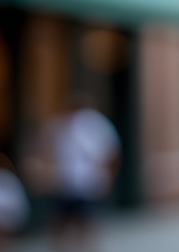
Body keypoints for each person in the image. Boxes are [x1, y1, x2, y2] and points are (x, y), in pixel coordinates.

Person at [48, 96, 120, 250]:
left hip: (85, 182)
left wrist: (106, 178)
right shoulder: (61, 124)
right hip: (67, 183)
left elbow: (109, 152)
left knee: (84, 222)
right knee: (62, 223)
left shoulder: (93, 123)